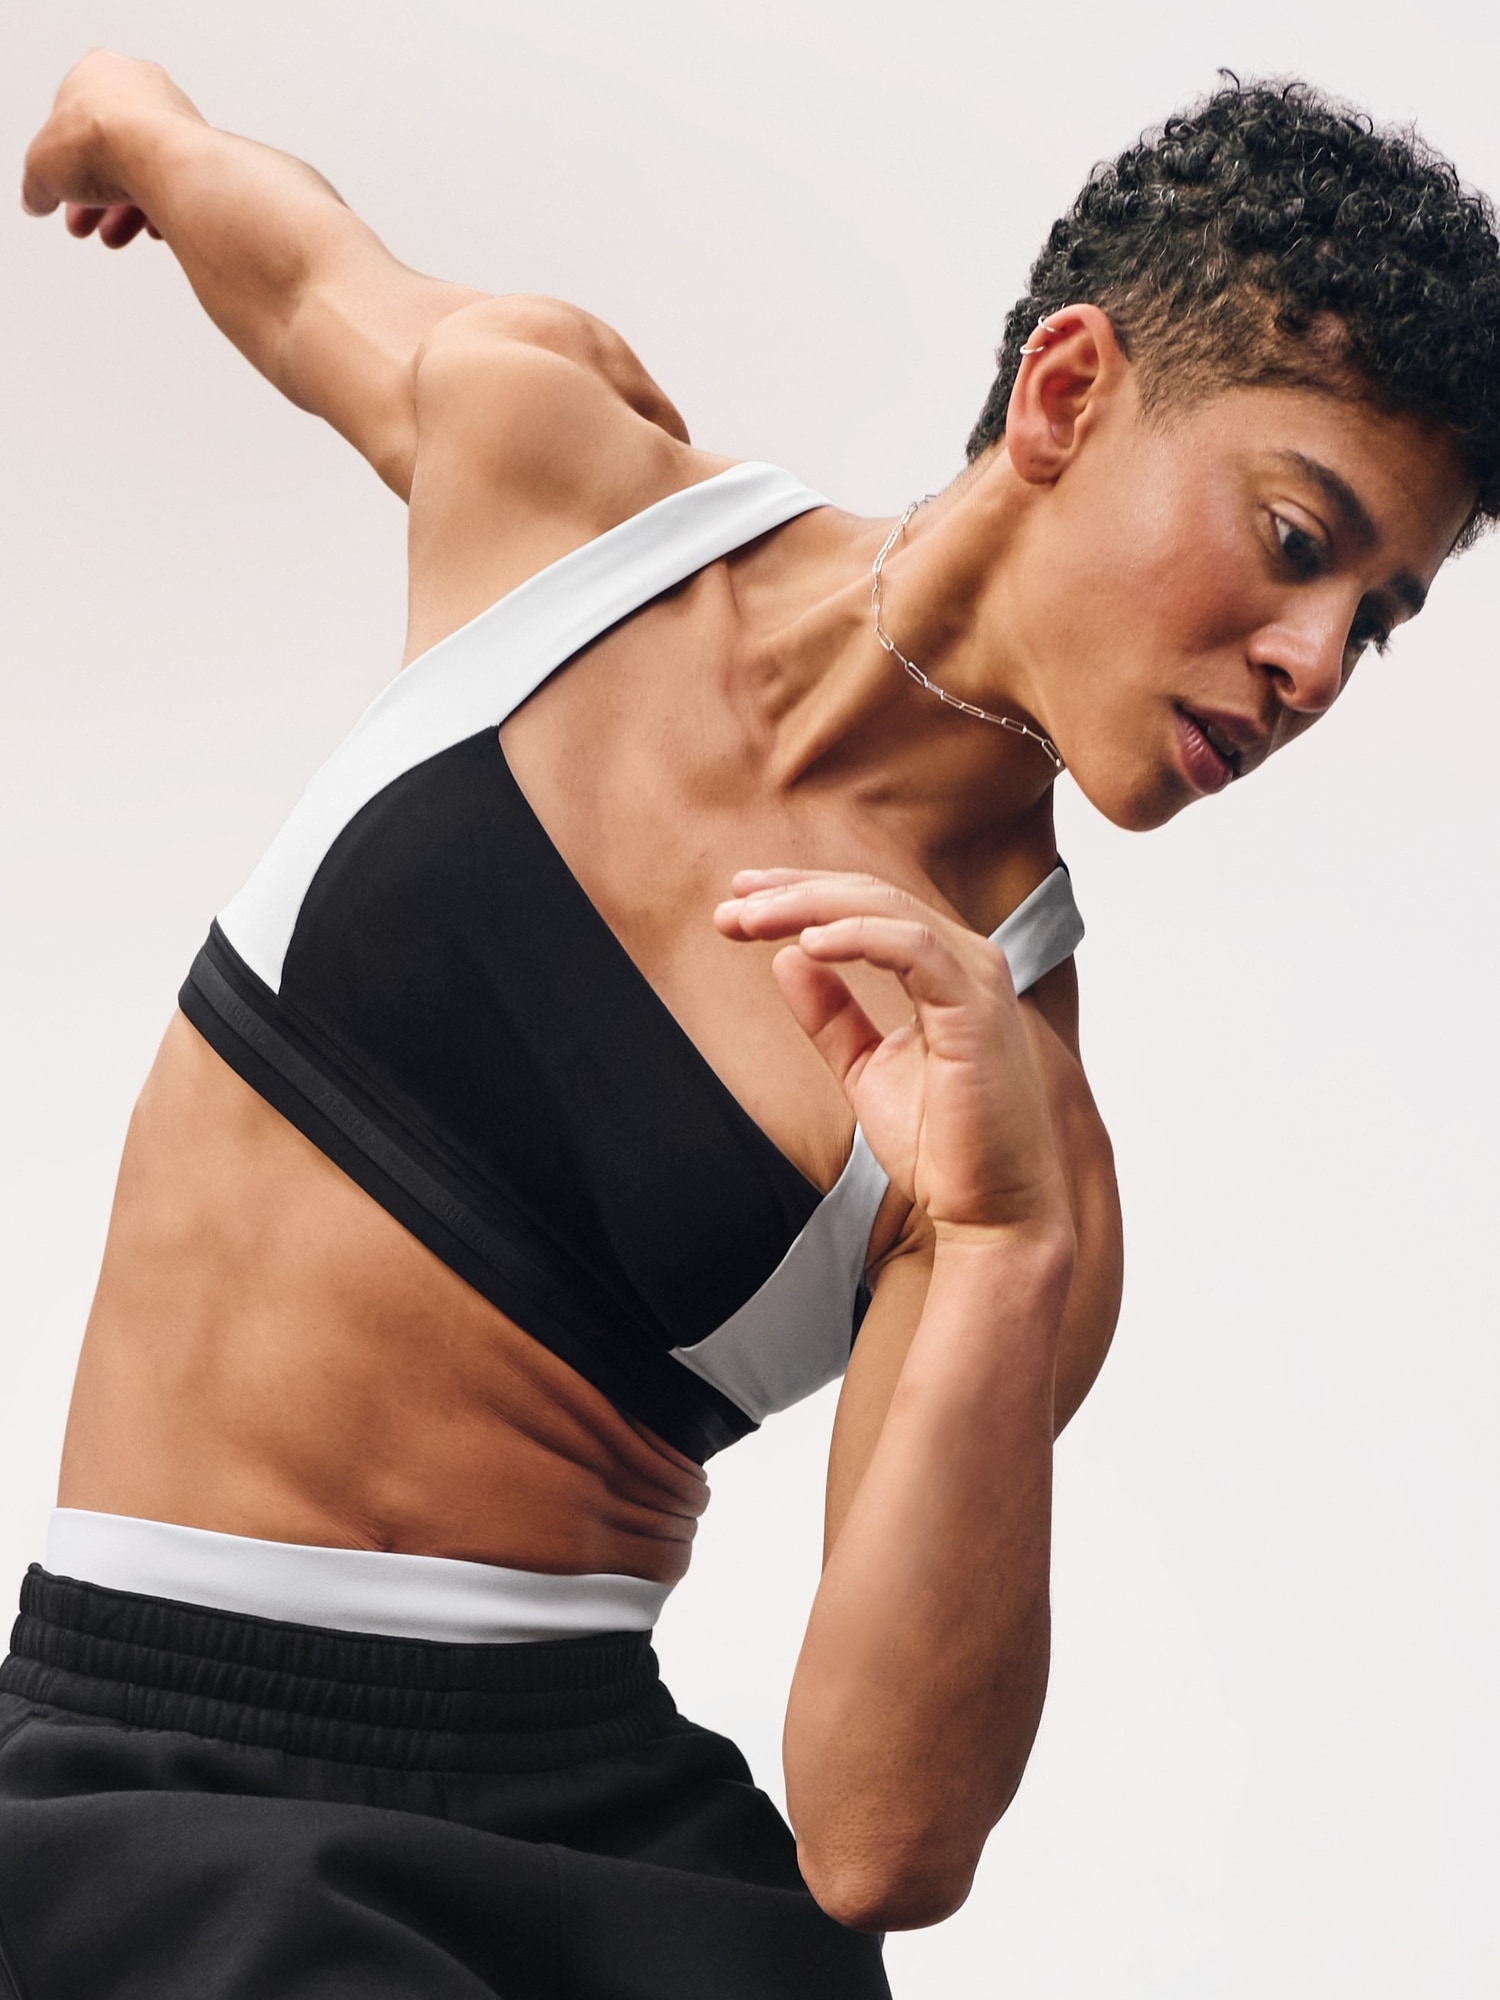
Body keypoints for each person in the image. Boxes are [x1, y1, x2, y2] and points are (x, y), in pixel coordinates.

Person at [2, 48, 1496, 2000]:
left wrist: (1003, 1249)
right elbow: (302, 272)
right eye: (1301, 542)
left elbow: (879, 1843)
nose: (1315, 666)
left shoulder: (1020, 1131)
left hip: (567, 1839)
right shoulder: (563, 492)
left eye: (1376, 619)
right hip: (121, 1760)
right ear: (1065, 394)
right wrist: (135, 124)